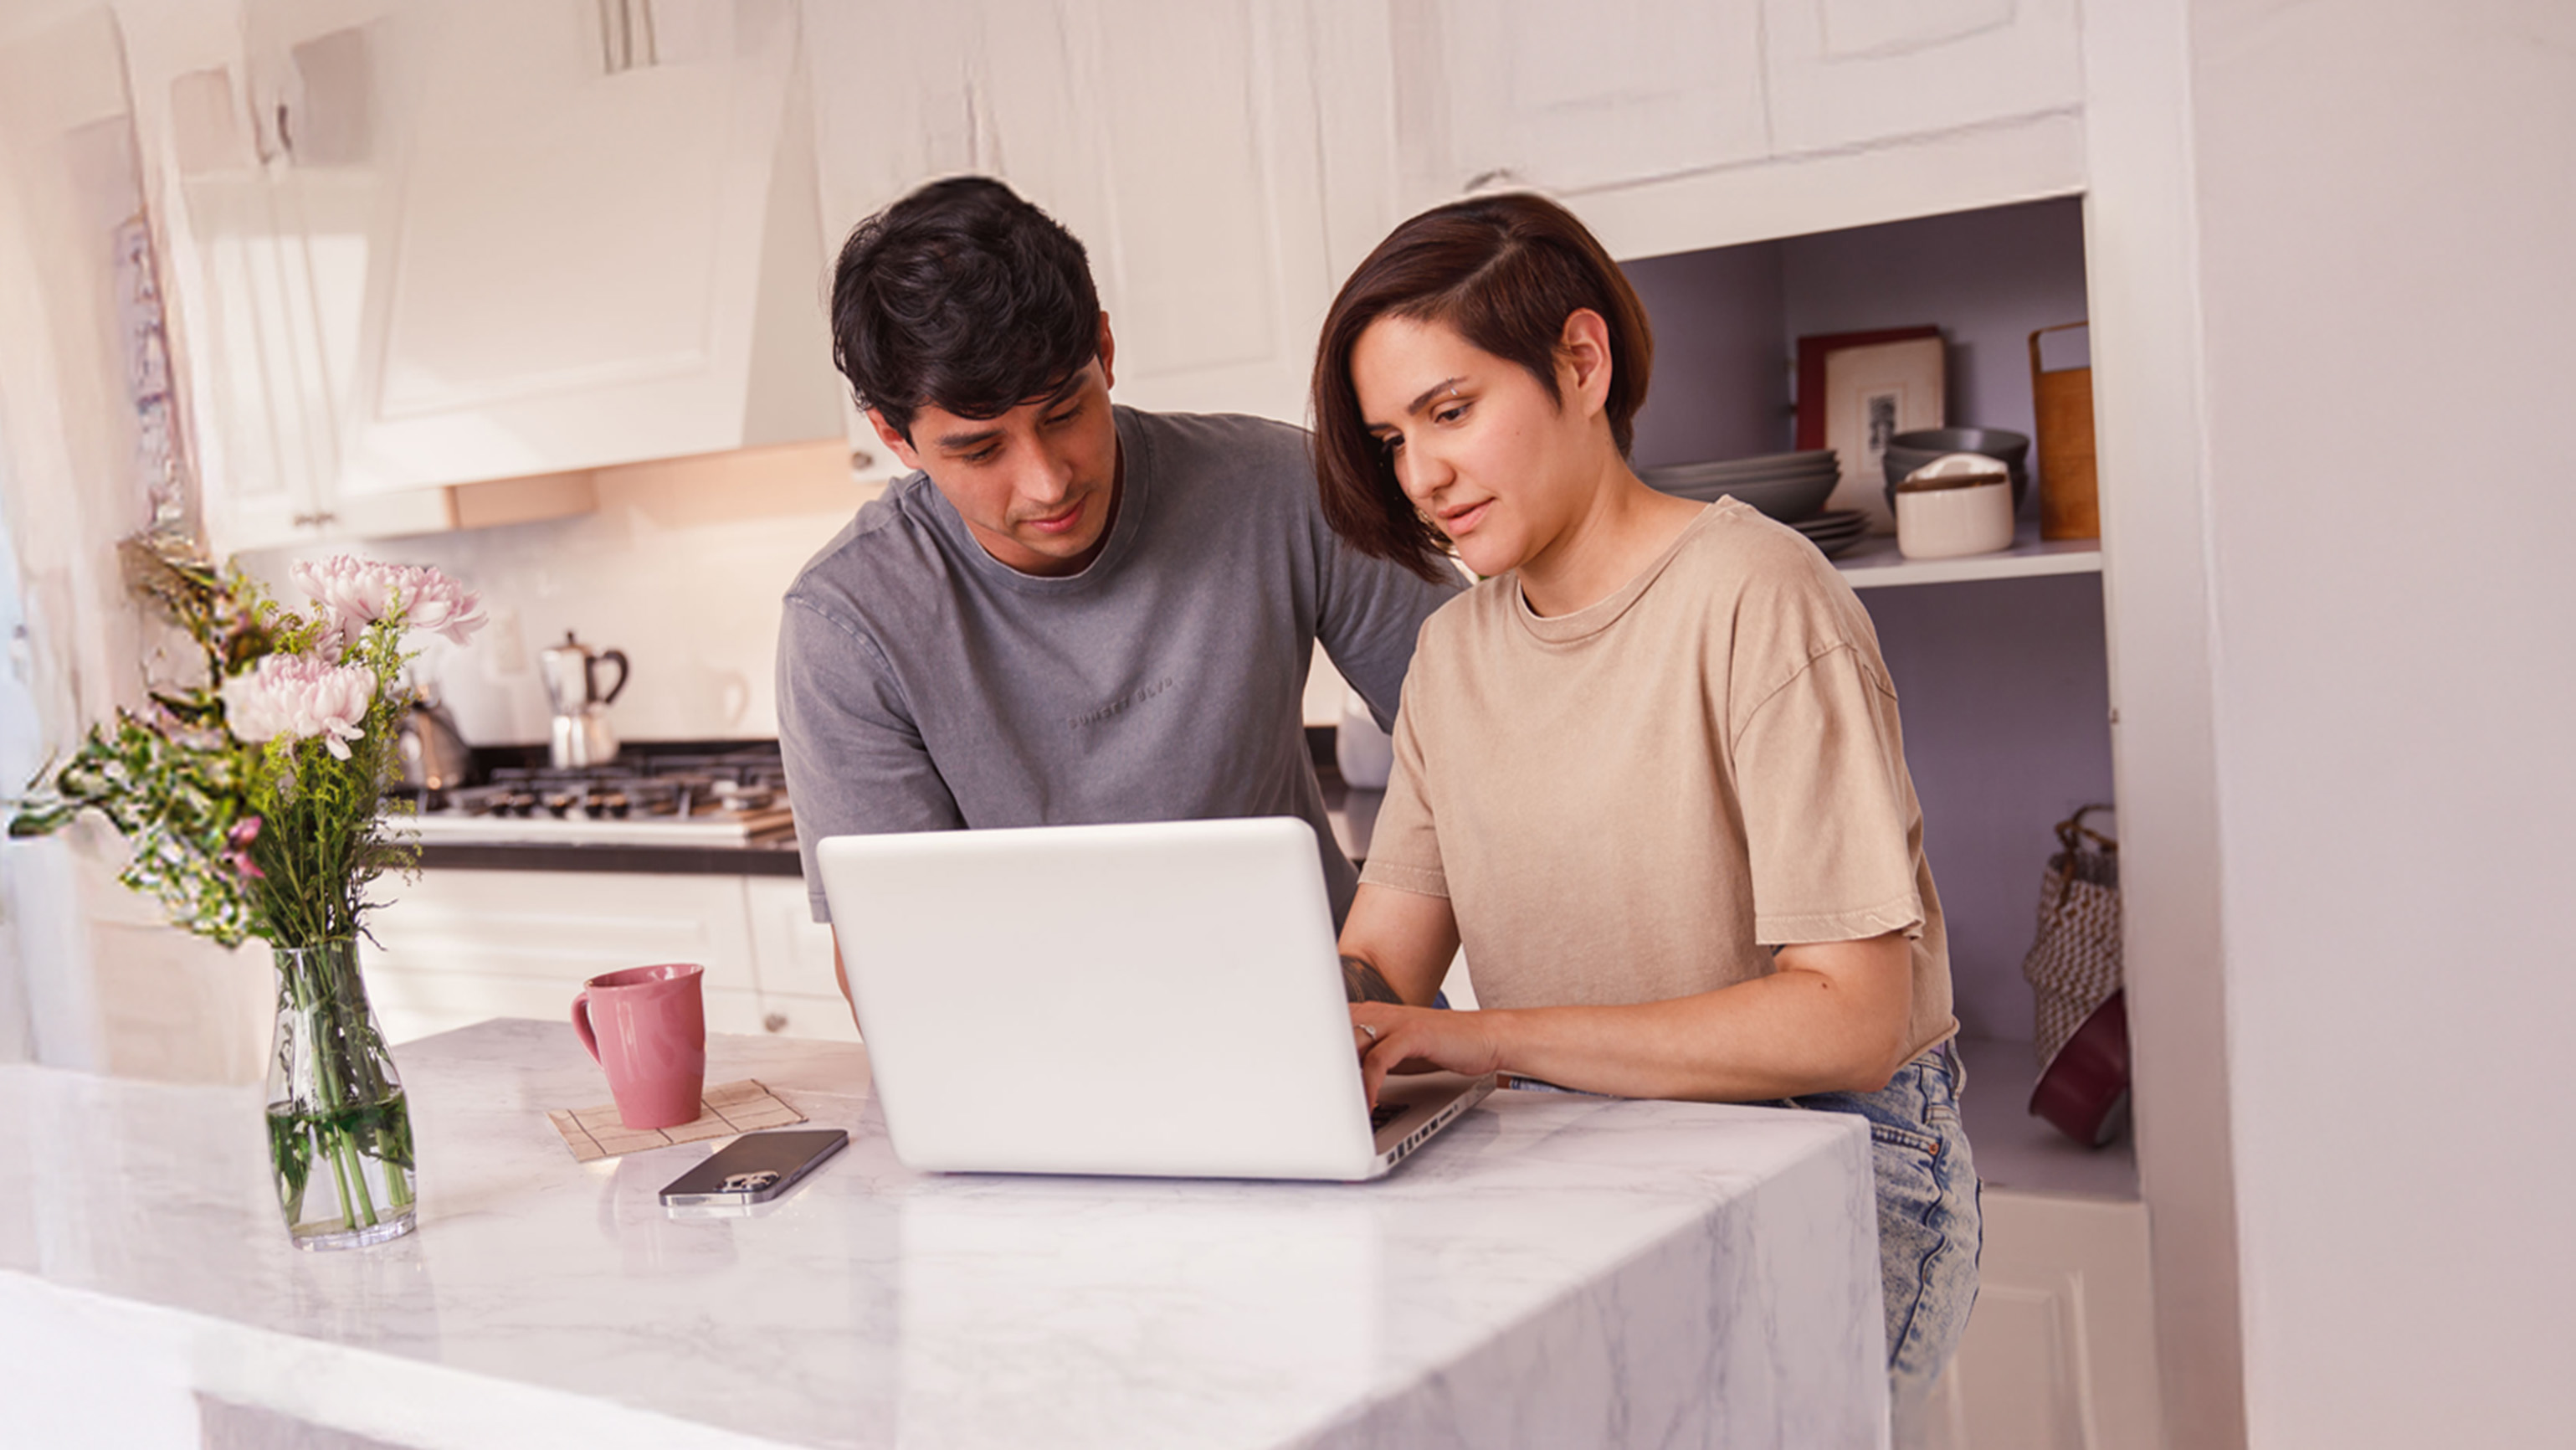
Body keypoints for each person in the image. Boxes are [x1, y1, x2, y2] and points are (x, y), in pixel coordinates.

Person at [1311, 193, 1979, 1406]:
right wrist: (1273, 1020)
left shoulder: (1760, 595)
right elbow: (1385, 974)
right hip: (1579, 1155)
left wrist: (1487, 1038)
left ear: (1581, 361)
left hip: (1831, 1150)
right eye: (1391, 440)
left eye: (1450, 413)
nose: (1421, 475)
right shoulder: (1453, 653)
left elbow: (1849, 1020)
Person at [778, 177, 1460, 1002]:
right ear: (896, 436)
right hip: (1053, 1055)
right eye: (982, 450)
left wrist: (1373, 1002)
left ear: (1104, 349)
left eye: (1064, 412)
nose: (1048, 482)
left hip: (1345, 1022)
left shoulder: (1288, 488)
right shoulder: (846, 625)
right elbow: (896, 957)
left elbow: (1486, 746)